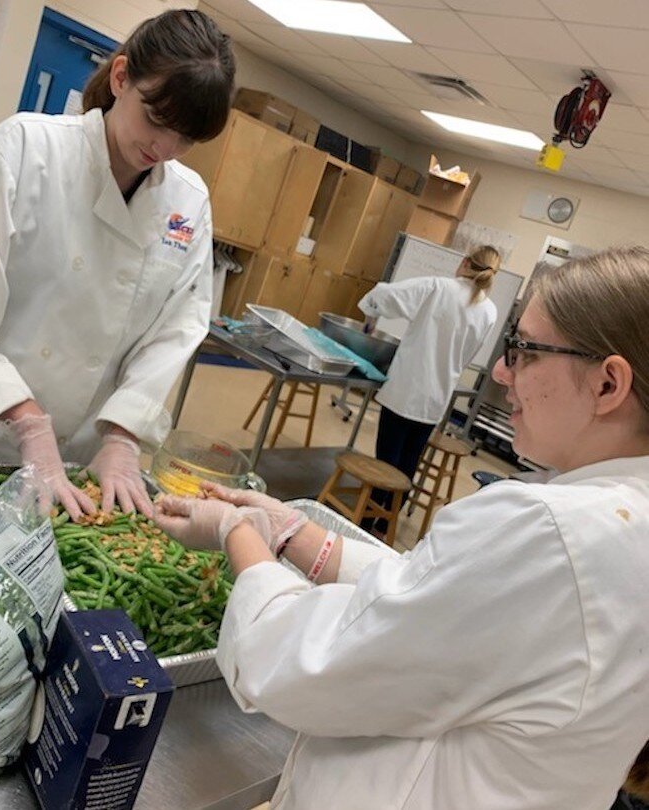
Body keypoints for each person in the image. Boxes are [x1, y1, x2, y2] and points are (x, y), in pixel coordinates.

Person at [154, 245, 649, 809]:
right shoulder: (618, 523)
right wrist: (294, 533)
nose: (505, 372)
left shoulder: (552, 533)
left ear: (609, 384)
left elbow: (308, 668)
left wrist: (236, 530)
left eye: (525, 351)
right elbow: (446, 604)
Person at [0, 10, 235, 519]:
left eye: (186, 139)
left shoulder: (187, 202)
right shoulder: (23, 149)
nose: (165, 148)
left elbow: (177, 330)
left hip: (79, 461)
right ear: (122, 76)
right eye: (156, 120)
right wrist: (26, 422)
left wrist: (125, 436)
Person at [357, 245, 500, 536]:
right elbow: (468, 356)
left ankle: (365, 519)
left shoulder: (438, 287)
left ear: (464, 262)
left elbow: (384, 294)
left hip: (406, 389)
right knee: (410, 460)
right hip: (436, 397)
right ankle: (386, 523)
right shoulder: (489, 310)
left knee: (386, 459)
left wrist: (370, 317)